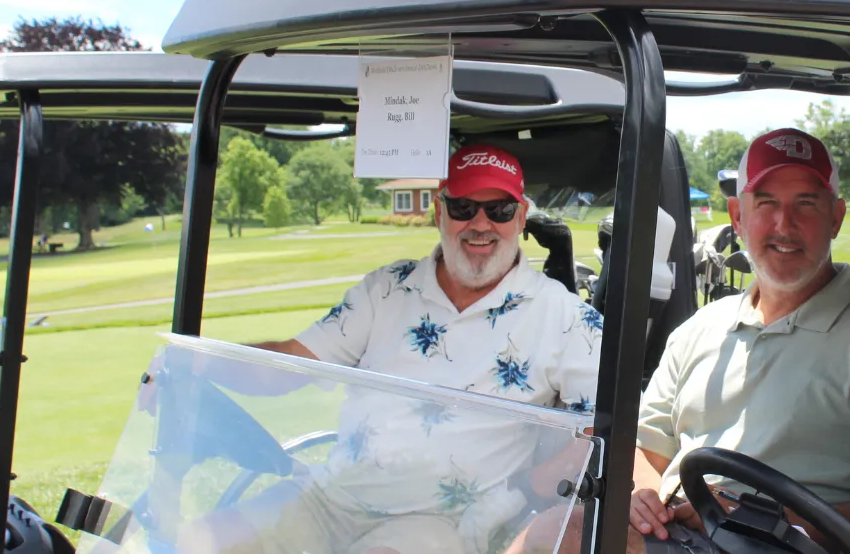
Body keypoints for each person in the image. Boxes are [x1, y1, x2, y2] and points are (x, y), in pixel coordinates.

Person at [159, 143, 603, 554]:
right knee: (198, 543)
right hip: (330, 496)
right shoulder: (387, 289)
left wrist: (524, 489)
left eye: (500, 209)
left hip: (444, 522)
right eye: (464, 207)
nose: (481, 224)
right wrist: (199, 361)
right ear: (439, 211)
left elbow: (608, 431)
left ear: (522, 216)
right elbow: (291, 363)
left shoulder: (565, 318)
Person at [620, 128, 850, 552]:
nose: (785, 225)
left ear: (836, 218)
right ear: (737, 216)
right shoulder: (699, 330)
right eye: (766, 203)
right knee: (562, 526)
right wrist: (642, 498)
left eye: (806, 203)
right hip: (674, 534)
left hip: (782, 545)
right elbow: (644, 449)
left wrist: (755, 515)